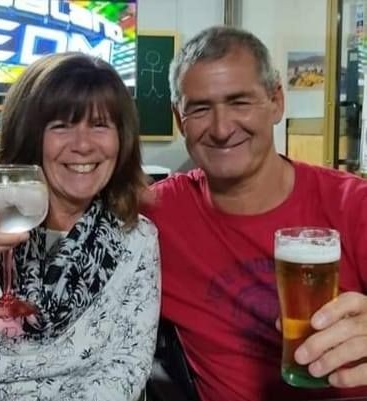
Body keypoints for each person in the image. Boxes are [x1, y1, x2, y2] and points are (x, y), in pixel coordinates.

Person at [142, 26, 367, 401]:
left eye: (240, 102)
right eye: (199, 108)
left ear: (276, 101)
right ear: (180, 120)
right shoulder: (154, 214)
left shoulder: (353, 204)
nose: (221, 128)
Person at [0, 52, 160, 401]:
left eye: (100, 125)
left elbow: (126, 366)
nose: (83, 145)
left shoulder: (137, 239)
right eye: (61, 125)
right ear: (28, 134)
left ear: (122, 139)